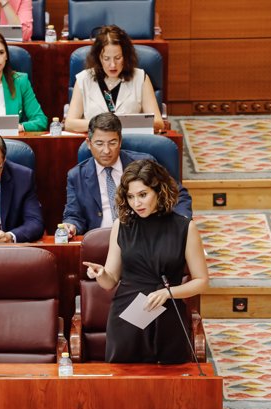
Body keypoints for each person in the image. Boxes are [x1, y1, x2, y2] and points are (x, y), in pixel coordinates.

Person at [84, 159, 209, 364]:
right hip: (128, 316)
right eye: (131, 197)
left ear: (159, 191)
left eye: (143, 195)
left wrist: (168, 293)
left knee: (169, 386)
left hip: (168, 311)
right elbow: (110, 281)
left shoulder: (185, 228)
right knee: (125, 384)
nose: (136, 203)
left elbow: (202, 281)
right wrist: (101, 274)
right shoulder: (121, 226)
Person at [63, 113, 191, 237]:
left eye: (112, 143)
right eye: (99, 144)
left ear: (120, 142)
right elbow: (74, 216)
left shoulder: (143, 163)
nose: (106, 150)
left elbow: (178, 194)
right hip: (101, 240)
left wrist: (181, 223)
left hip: (143, 237)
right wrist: (71, 225)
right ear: (89, 144)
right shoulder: (76, 175)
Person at [65, 25, 164, 133]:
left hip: (130, 143)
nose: (112, 65)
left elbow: (158, 123)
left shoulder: (140, 78)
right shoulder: (84, 79)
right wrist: (104, 125)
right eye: (106, 59)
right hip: (96, 144)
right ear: (99, 57)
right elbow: (69, 124)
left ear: (126, 56)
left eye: (118, 58)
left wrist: (124, 124)